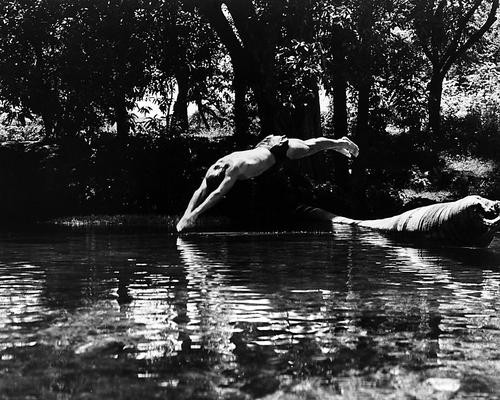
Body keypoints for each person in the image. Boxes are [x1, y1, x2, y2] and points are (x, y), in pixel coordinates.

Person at [176, 135, 359, 232]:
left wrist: (196, 214)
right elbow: (199, 191)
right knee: (308, 144)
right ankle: (336, 145)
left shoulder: (235, 169)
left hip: (277, 149)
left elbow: (217, 194)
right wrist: (186, 215)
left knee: (310, 147)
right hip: (263, 146)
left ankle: (339, 142)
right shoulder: (215, 167)